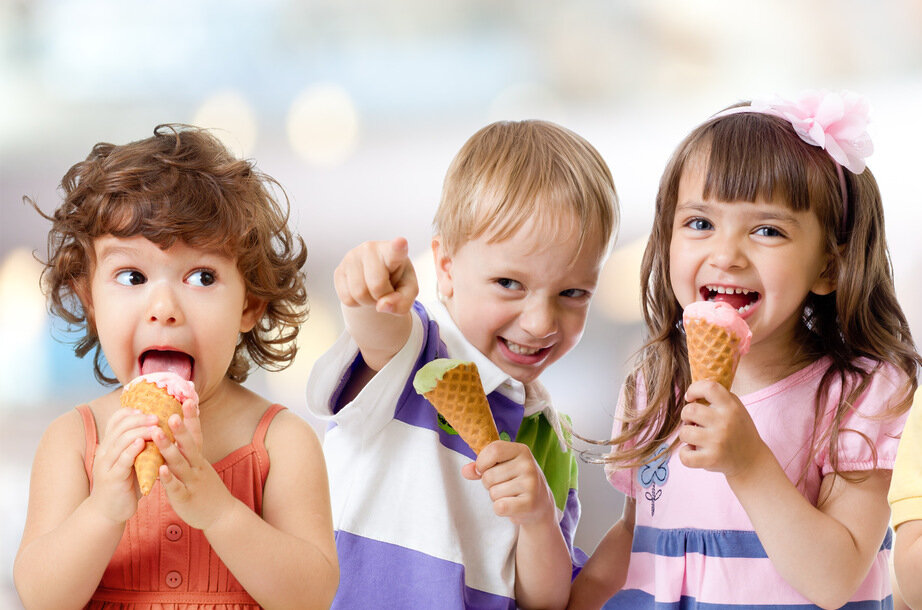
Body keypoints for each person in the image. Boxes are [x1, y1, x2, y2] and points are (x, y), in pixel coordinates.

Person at [568, 91, 921, 609]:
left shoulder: (862, 394)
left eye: (767, 230)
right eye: (700, 223)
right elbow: (633, 535)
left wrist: (749, 463)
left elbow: (836, 579)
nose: (726, 254)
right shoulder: (654, 383)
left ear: (828, 265)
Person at [13, 125, 339, 609]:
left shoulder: (281, 443)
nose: (163, 306)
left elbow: (311, 596)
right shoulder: (72, 441)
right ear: (90, 299)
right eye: (132, 276)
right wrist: (103, 511)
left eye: (202, 276)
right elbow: (41, 597)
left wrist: (220, 511)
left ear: (249, 304)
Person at [306, 119, 618, 609]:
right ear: (446, 270)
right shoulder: (415, 353)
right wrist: (370, 292)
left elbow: (545, 601)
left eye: (572, 293)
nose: (540, 323)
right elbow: (377, 333)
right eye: (509, 284)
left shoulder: (551, 441)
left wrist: (538, 520)